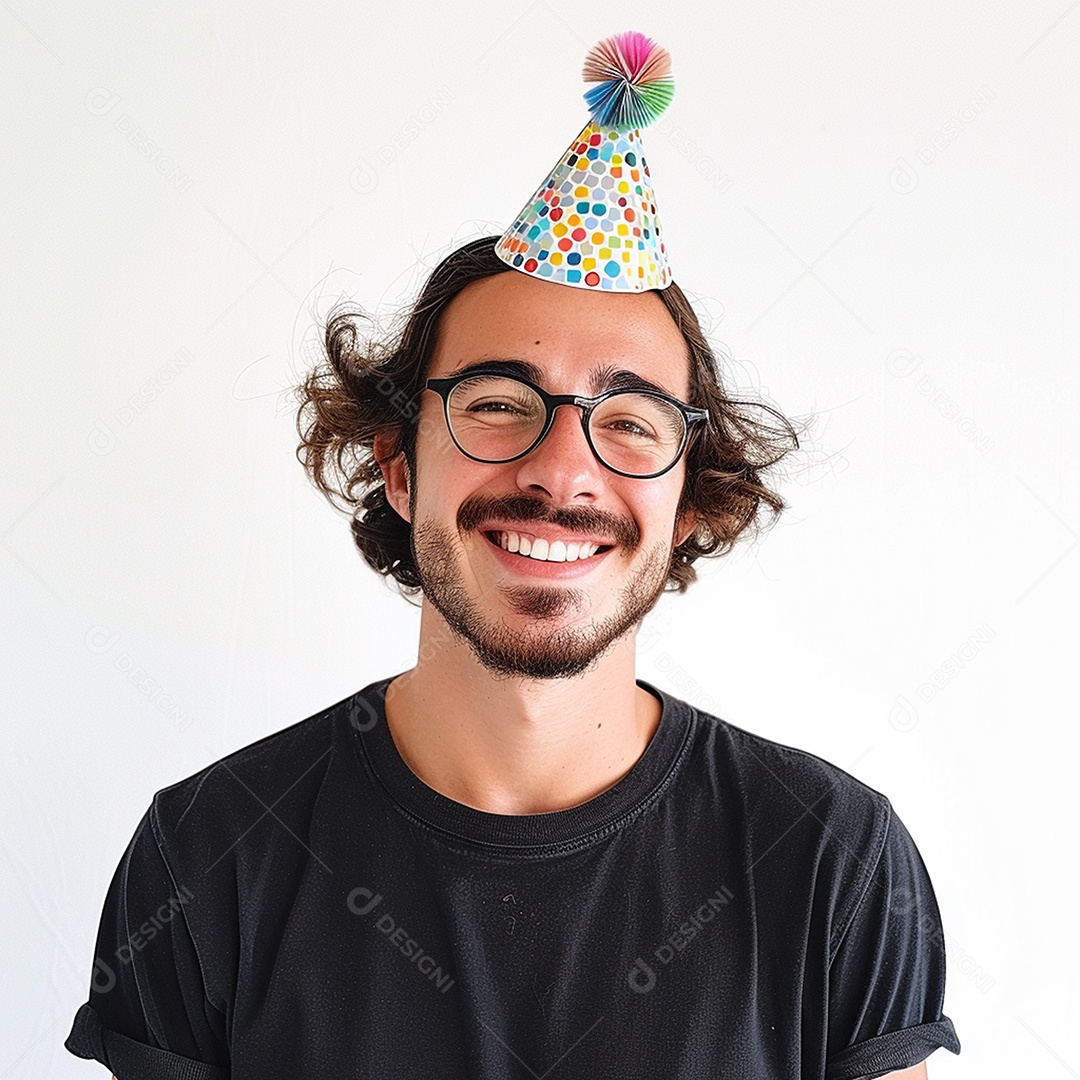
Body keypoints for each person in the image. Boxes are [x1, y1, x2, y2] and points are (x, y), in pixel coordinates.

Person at [65, 33, 960, 1080]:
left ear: (685, 495)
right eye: (497, 405)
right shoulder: (211, 853)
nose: (562, 471)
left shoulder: (830, 861)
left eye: (628, 422)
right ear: (399, 468)